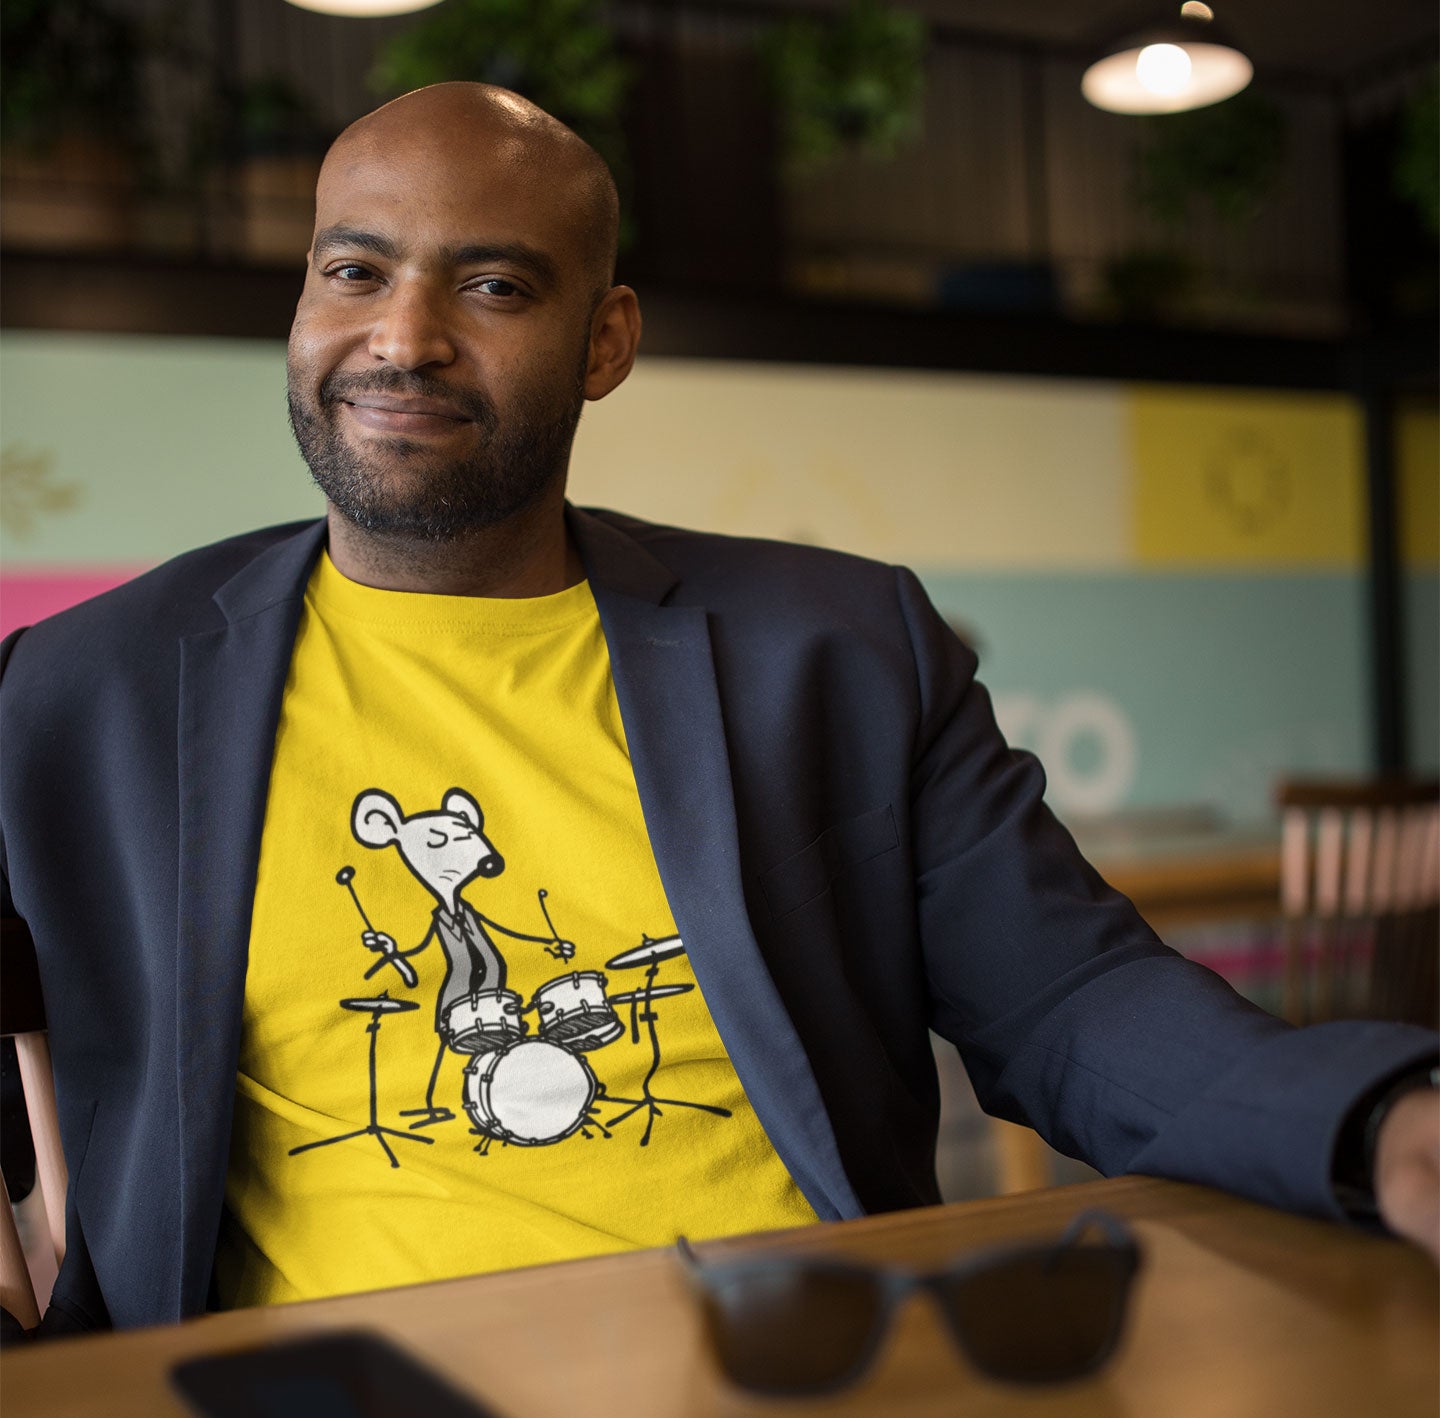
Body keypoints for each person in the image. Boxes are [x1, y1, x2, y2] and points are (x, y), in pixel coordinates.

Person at [1, 83, 1435, 1338]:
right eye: (354, 272)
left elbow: (1072, 1000)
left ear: (606, 340)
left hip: (782, 1379)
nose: (406, 336)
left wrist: (1373, 1122)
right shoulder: (83, 692)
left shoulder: (838, 653)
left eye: (493, 285)